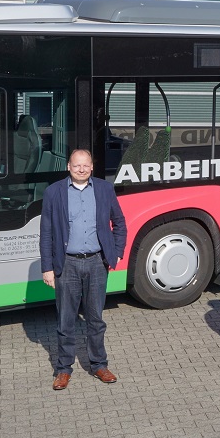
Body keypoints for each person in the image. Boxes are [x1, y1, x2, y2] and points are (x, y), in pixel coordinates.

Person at [40, 149, 128, 391]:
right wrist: (47, 267)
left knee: (95, 319)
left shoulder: (104, 189)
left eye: (86, 165)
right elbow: (46, 232)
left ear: (92, 167)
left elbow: (119, 223)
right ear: (69, 166)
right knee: (65, 320)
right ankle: (63, 369)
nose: (81, 169)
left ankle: (99, 364)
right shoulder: (54, 192)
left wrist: (116, 251)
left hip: (97, 263)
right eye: (76, 165)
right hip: (66, 264)